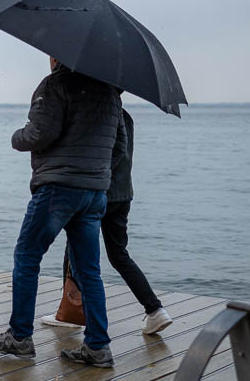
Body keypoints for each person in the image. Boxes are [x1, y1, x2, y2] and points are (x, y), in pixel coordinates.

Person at [0, 57, 126, 367]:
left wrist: (16, 136)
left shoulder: (56, 85)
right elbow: (120, 149)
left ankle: (19, 337)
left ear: (57, 54)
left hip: (57, 189)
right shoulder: (111, 94)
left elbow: (38, 135)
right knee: (89, 271)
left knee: (27, 256)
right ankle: (97, 345)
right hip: (94, 193)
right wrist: (95, 174)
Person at [40, 104, 173, 334]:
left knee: (74, 248)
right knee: (119, 255)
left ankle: (70, 310)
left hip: (97, 190)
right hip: (123, 194)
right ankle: (155, 310)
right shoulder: (126, 116)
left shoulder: (97, 112)